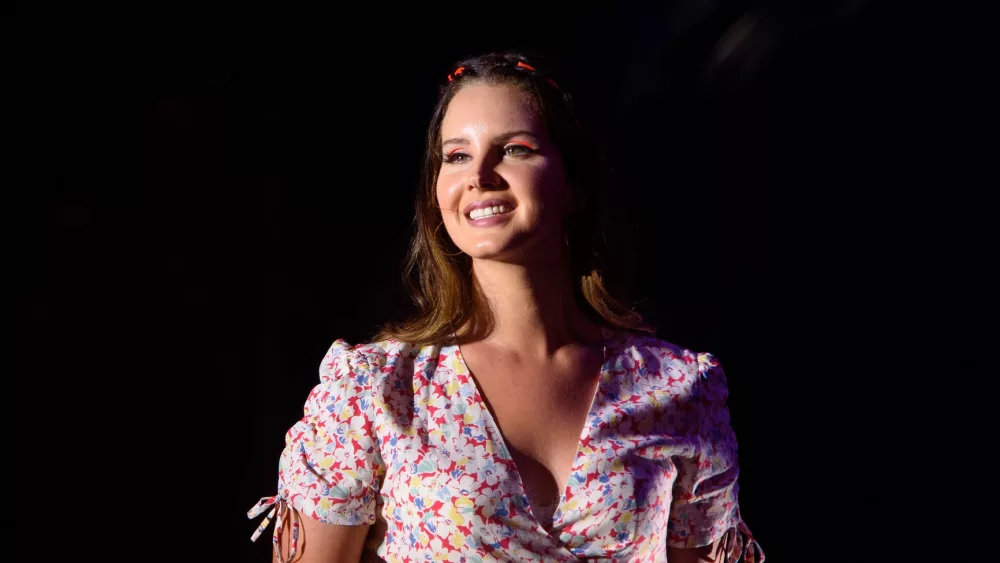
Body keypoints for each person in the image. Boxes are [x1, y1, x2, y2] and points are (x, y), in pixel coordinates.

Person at [247, 51, 764, 563]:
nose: (480, 174)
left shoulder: (679, 388)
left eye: (514, 149)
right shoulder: (373, 390)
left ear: (575, 184)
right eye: (456, 155)